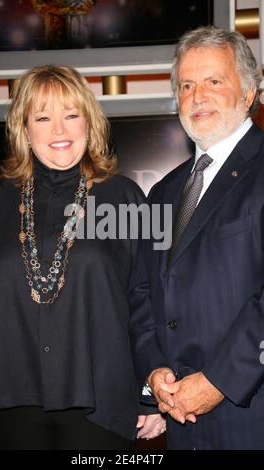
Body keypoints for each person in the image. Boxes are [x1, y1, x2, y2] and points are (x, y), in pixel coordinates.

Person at [0, 65, 165, 450]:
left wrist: (151, 393)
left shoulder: (126, 197)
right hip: (13, 400)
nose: (58, 130)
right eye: (43, 117)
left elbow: (149, 301)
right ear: (24, 130)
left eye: (70, 115)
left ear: (89, 124)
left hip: (101, 402)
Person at [129, 26, 264, 450]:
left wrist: (220, 380)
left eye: (213, 81)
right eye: (186, 85)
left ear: (248, 93)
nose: (197, 96)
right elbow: (142, 291)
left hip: (251, 413)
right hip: (181, 419)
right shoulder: (164, 192)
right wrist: (154, 374)